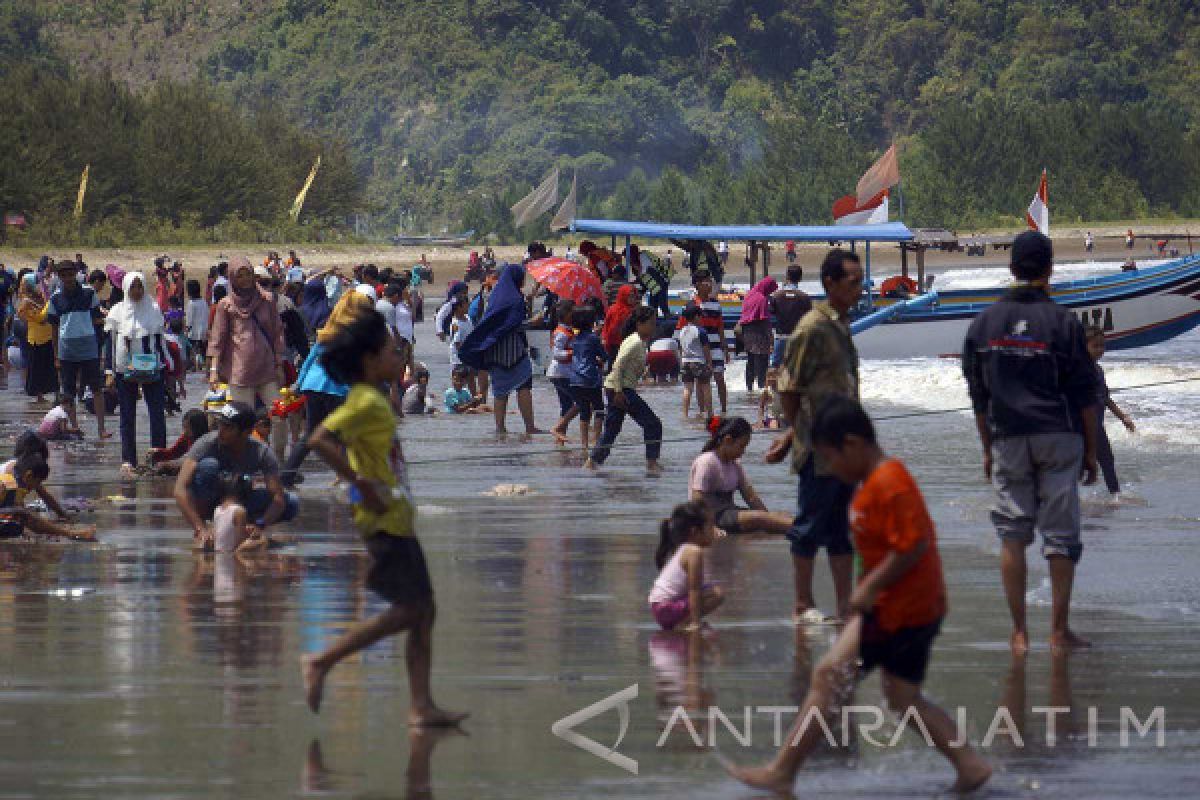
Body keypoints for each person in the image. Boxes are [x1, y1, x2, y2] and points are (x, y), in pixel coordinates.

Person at [727, 397, 992, 796]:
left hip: (902, 608)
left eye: (831, 459)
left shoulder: (891, 482)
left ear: (853, 444)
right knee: (901, 696)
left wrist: (866, 589)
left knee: (830, 675)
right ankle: (970, 764)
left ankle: (782, 772)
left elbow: (914, 545)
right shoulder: (871, 484)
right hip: (901, 607)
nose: (830, 469)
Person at [301, 308, 467, 727]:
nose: (401, 360)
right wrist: (359, 483)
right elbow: (318, 439)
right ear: (371, 360)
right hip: (382, 520)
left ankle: (421, 706)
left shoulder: (376, 399)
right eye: (395, 353)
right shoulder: (364, 401)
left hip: (395, 515)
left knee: (424, 611)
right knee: (410, 611)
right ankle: (322, 660)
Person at [962, 230, 1098, 654]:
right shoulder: (1063, 322)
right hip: (1058, 436)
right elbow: (1085, 395)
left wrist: (987, 449)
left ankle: (1019, 632)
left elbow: (978, 396)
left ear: (1011, 268)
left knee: (1012, 533)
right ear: (1050, 269)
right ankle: (1058, 631)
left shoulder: (984, 324)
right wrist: (1091, 450)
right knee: (1060, 537)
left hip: (1007, 436)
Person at [766, 249, 863, 624]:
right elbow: (789, 390)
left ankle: (845, 607)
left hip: (846, 450)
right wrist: (799, 435)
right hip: (819, 450)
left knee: (840, 531)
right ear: (830, 283)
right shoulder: (812, 328)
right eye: (852, 282)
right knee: (807, 528)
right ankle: (802, 605)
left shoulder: (841, 324)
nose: (858, 288)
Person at [173, 402, 300, 545]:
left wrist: (260, 525)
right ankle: (208, 523)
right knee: (209, 466)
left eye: (228, 427)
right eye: (220, 424)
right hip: (207, 500)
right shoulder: (207, 443)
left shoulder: (261, 451)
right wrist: (199, 527)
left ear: (245, 432)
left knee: (292, 502)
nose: (221, 431)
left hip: (238, 501)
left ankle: (244, 524)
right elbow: (179, 489)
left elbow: (278, 498)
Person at [281, 292, 373, 486]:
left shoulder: (329, 331)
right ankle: (352, 478)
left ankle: (286, 476)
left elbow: (309, 360)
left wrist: (298, 384)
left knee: (310, 435)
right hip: (336, 387)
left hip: (313, 385)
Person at [207, 257, 287, 460]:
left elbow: (277, 333)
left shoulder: (267, 300)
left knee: (279, 415)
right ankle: (247, 461)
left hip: (266, 368)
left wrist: (279, 363)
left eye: (248, 274)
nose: (244, 279)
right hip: (240, 371)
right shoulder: (226, 306)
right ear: (232, 279)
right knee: (243, 421)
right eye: (239, 275)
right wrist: (214, 371)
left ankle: (278, 458)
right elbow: (218, 339)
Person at [458, 265, 541, 437]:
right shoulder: (516, 299)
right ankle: (530, 427)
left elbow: (491, 323)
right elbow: (514, 325)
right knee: (524, 386)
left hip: (493, 350)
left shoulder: (493, 297)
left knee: (500, 391)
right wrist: (533, 322)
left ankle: (500, 429)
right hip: (514, 350)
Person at [106, 272, 172, 479]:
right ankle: (128, 461)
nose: (137, 291)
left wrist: (167, 367)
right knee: (127, 415)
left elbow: (160, 342)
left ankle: (158, 457)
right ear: (125, 288)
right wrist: (109, 371)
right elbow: (109, 343)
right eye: (133, 287)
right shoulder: (116, 312)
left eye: (140, 286)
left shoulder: (153, 310)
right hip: (124, 369)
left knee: (157, 414)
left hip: (153, 368)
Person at [587, 307, 663, 472]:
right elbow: (618, 364)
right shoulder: (635, 341)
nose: (653, 327)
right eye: (650, 324)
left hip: (616, 387)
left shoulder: (639, 341)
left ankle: (592, 463)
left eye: (654, 323)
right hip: (620, 389)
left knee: (612, 429)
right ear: (639, 324)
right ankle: (652, 463)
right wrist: (619, 391)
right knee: (653, 424)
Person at [690, 416, 792, 535]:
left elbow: (751, 497)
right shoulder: (706, 462)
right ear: (727, 440)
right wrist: (710, 528)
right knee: (758, 518)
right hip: (710, 517)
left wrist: (769, 518)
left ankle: (802, 527)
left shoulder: (735, 465)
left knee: (779, 516)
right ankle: (805, 530)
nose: (743, 452)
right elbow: (697, 500)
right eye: (741, 446)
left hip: (729, 513)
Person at [45, 259, 109, 439]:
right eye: (64, 275)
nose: (68, 278)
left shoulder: (89, 293)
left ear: (76, 274)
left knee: (96, 387)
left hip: (88, 346)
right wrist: (56, 355)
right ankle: (75, 427)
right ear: (59, 276)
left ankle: (101, 428)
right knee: (68, 391)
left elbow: (97, 317)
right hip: (67, 349)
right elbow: (54, 329)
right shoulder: (55, 298)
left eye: (70, 274)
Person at [648, 502, 725, 631]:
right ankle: (684, 624)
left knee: (710, 589)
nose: (715, 531)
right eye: (711, 526)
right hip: (665, 609)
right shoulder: (693, 552)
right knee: (716, 594)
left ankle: (684, 621)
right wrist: (695, 623)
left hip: (660, 608)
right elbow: (693, 590)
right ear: (695, 532)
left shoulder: (685, 549)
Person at [1085, 325, 1135, 496]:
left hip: (1098, 426)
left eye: (1102, 346)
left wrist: (1123, 417)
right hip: (1084, 427)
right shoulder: (1079, 371)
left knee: (1107, 461)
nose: (1100, 350)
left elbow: (1105, 398)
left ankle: (1115, 496)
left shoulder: (1098, 370)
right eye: (1095, 346)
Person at [0, 453, 96, 541]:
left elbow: (42, 498)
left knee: (21, 521)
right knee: (16, 526)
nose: (35, 487)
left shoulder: (13, 478)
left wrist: (61, 517)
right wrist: (71, 533)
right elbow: (29, 519)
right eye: (37, 482)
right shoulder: (10, 486)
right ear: (28, 475)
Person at [688, 270, 731, 414]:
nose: (710, 285)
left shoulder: (716, 304)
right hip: (699, 348)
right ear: (698, 285)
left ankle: (724, 410)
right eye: (707, 282)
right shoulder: (691, 305)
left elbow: (720, 326)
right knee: (701, 381)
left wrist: (725, 347)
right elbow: (684, 328)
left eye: (710, 282)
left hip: (715, 346)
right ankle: (702, 411)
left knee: (719, 377)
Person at [568, 307, 605, 454]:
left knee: (584, 410)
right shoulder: (593, 338)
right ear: (591, 322)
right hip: (590, 378)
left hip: (575, 378)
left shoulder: (575, 338)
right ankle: (595, 440)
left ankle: (584, 444)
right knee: (599, 409)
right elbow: (603, 355)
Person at [16, 274, 58, 402]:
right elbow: (38, 318)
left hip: (47, 336)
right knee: (37, 367)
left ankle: (50, 393)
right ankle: (39, 394)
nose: (40, 287)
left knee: (48, 366)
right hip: (36, 339)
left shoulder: (41, 298)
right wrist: (47, 307)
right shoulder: (26, 301)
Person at [738, 277, 778, 392]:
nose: (770, 292)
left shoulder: (749, 295)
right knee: (763, 362)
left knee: (751, 360)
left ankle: (749, 388)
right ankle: (761, 388)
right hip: (759, 333)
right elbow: (765, 320)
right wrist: (771, 339)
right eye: (771, 289)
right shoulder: (762, 299)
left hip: (747, 332)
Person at [770, 264, 811, 368]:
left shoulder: (776, 296)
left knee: (775, 368)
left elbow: (770, 314)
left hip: (780, 337)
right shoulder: (804, 297)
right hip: (797, 337)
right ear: (800, 278)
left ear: (787, 276)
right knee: (799, 368)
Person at [676, 305, 713, 419]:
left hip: (685, 361)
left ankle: (685, 414)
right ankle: (710, 413)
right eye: (700, 316)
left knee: (687, 389)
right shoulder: (700, 331)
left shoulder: (682, 331)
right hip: (699, 361)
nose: (701, 318)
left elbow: (681, 348)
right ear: (696, 316)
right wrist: (710, 363)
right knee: (706, 387)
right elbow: (706, 349)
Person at [149, 409, 210, 475]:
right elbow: (173, 453)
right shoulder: (186, 437)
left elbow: (198, 461)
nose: (185, 431)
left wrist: (173, 465)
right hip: (193, 464)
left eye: (187, 428)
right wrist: (156, 452)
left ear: (197, 428)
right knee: (162, 466)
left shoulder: (207, 440)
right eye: (184, 427)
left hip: (205, 466)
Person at [601, 284, 640, 364]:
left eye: (634, 296)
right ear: (623, 296)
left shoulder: (636, 310)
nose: (632, 299)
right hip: (614, 344)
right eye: (629, 296)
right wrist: (605, 339)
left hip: (629, 343)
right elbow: (607, 326)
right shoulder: (614, 309)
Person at [184, 279, 208, 371]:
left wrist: (186, 331)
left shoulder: (191, 304)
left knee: (193, 350)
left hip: (194, 332)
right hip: (203, 330)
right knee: (202, 350)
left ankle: (194, 366)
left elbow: (189, 321)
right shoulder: (203, 301)